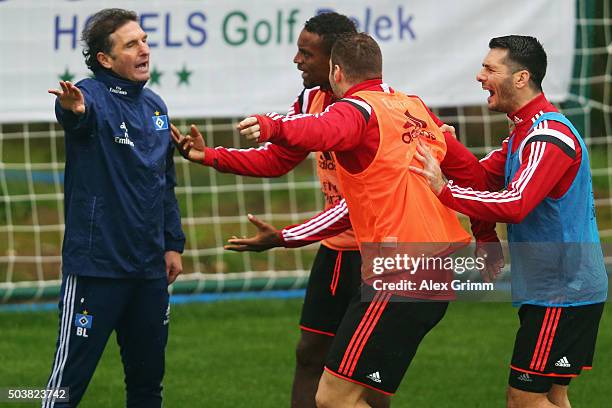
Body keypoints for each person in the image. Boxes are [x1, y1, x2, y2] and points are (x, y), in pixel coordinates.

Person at [172, 13, 500, 408]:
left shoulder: (362, 110)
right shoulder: (403, 106)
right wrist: (211, 156)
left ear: (335, 64)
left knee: (343, 393)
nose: (297, 60)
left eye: (306, 53)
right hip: (389, 256)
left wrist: (274, 131)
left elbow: (327, 138)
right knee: (322, 364)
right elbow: (281, 158)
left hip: (397, 263)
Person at [410, 35, 607, 408]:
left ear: (521, 78)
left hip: (563, 291)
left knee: (523, 398)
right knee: (552, 396)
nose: (480, 77)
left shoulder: (549, 135)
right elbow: (482, 180)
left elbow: (515, 203)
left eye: (489, 68)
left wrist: (443, 190)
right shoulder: (523, 133)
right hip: (560, 287)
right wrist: (442, 142)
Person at [43, 8, 185, 408]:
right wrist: (73, 110)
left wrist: (172, 243)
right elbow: (77, 116)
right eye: (131, 44)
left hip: (148, 270)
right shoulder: (89, 97)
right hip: (96, 268)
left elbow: (164, 183)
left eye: (144, 40)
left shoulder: (156, 107)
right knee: (64, 388)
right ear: (105, 59)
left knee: (147, 386)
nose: (144, 50)